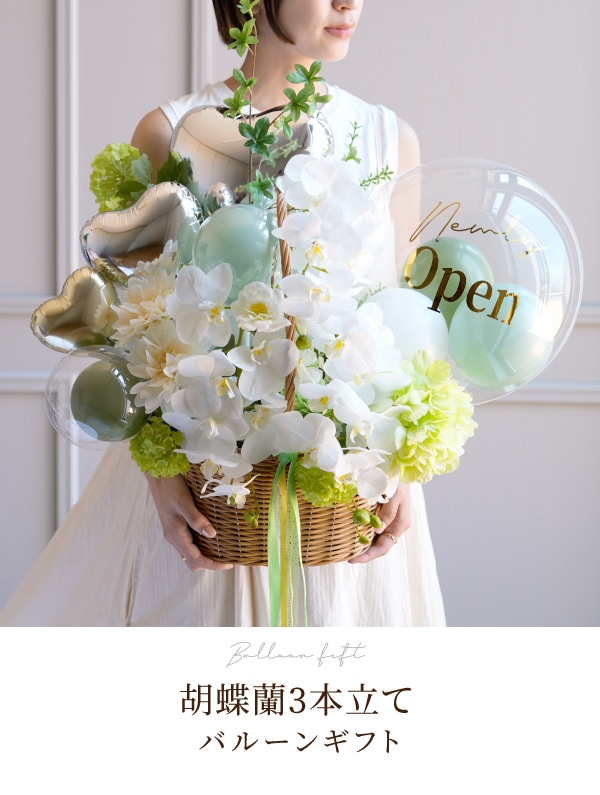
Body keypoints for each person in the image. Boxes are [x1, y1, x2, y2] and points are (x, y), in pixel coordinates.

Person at [0, 0, 445, 627]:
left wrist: (407, 468)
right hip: (206, 493)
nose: (351, 2)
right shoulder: (171, 131)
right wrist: (159, 476)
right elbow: (134, 323)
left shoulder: (388, 138)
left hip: (349, 495)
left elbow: (403, 322)